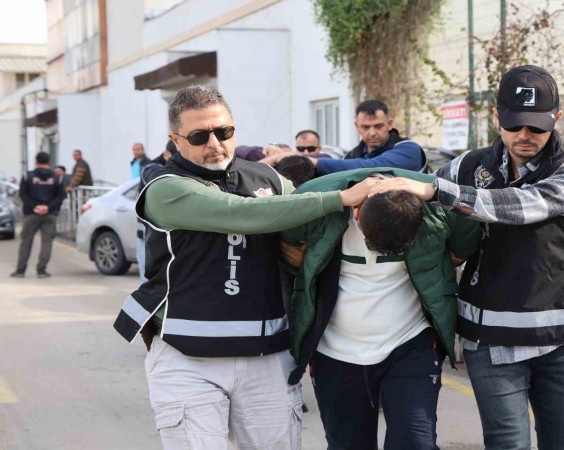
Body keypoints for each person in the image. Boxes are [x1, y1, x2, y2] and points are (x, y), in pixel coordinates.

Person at [112, 85, 373, 450]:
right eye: (199, 136)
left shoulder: (269, 179)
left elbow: (305, 226)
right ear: (175, 141)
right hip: (186, 359)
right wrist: (341, 197)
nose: (215, 144)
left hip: (268, 358)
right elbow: (240, 213)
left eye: (224, 132)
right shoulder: (165, 188)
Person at [371, 65, 564, 450]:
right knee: (506, 443)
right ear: (497, 117)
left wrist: (439, 192)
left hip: (562, 339)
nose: (524, 135)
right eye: (514, 125)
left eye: (536, 126)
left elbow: (524, 205)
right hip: (489, 336)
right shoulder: (467, 167)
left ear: (557, 118)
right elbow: (419, 205)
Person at [282, 167, 479, 449]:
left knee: (416, 443)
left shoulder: (441, 203)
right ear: (357, 214)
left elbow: (459, 250)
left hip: (410, 342)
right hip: (334, 350)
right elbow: (290, 249)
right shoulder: (314, 199)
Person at [263, 101, 426, 174]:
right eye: (365, 127)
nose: (372, 133)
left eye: (378, 126)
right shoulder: (352, 155)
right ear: (357, 126)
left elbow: (371, 167)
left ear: (390, 124)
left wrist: (313, 161)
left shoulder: (408, 149)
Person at [10, 152, 65, 278]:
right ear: (49, 162)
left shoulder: (27, 176)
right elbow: (60, 196)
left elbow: (23, 194)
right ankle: (41, 270)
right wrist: (47, 207)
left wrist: (35, 206)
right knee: (47, 242)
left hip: (31, 214)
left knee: (26, 241)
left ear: (36, 162)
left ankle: (20, 270)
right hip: (49, 214)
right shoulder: (58, 178)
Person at [135, 140, 179, 282]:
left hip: (166, 233)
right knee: (148, 279)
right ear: (166, 154)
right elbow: (162, 179)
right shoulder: (151, 168)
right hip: (147, 232)